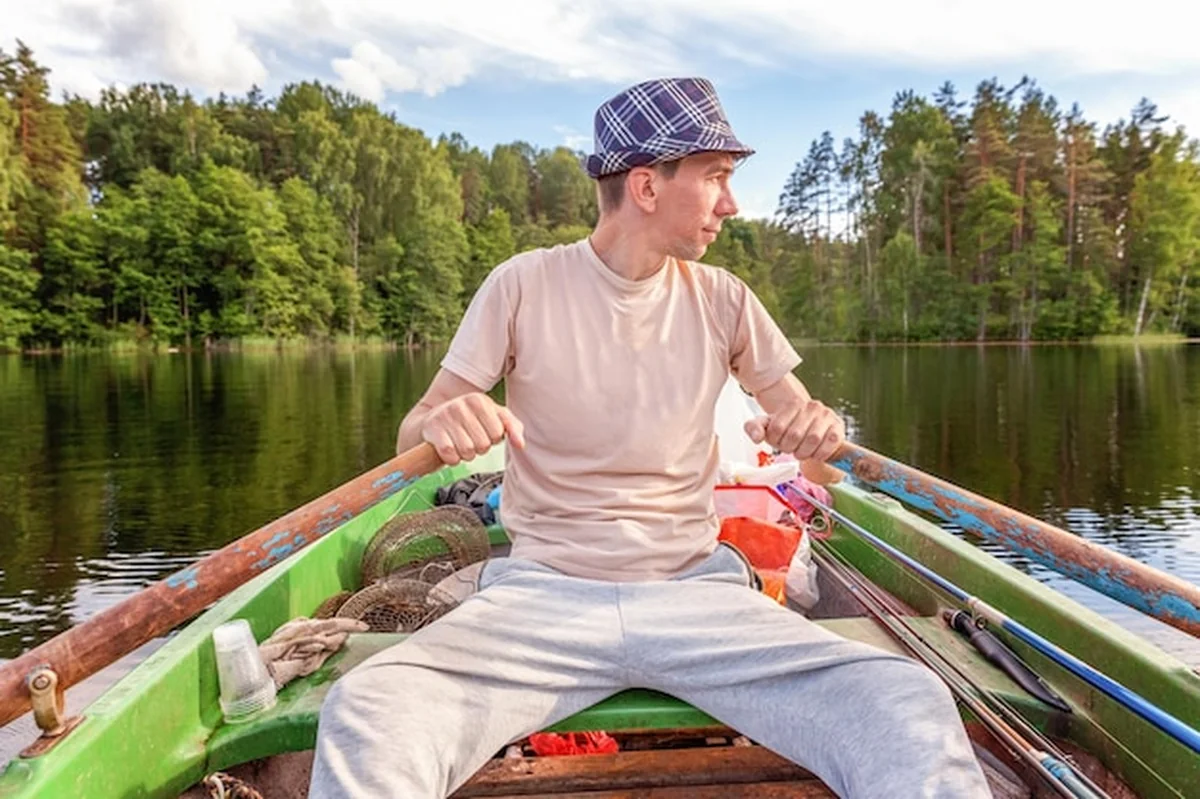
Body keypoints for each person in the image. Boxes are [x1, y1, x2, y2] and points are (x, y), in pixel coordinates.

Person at [309, 77, 990, 798]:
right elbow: (412, 431)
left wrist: (820, 432)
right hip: (542, 599)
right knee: (369, 707)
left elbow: (818, 463)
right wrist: (442, 420)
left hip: (697, 595)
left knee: (905, 701)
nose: (730, 203)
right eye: (718, 179)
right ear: (646, 185)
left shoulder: (726, 299)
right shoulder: (522, 284)